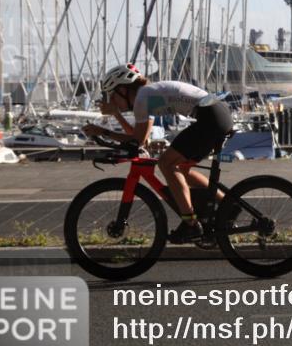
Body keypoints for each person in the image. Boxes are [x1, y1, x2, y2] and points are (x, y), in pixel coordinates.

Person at [82, 64, 233, 243]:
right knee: (181, 169)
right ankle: (228, 205)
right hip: (216, 114)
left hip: (211, 117)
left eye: (112, 95)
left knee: (166, 163)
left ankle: (190, 224)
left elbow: (137, 141)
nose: (112, 101)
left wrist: (104, 132)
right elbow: (140, 138)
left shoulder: (142, 98)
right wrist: (116, 115)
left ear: (122, 89)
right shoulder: (148, 96)